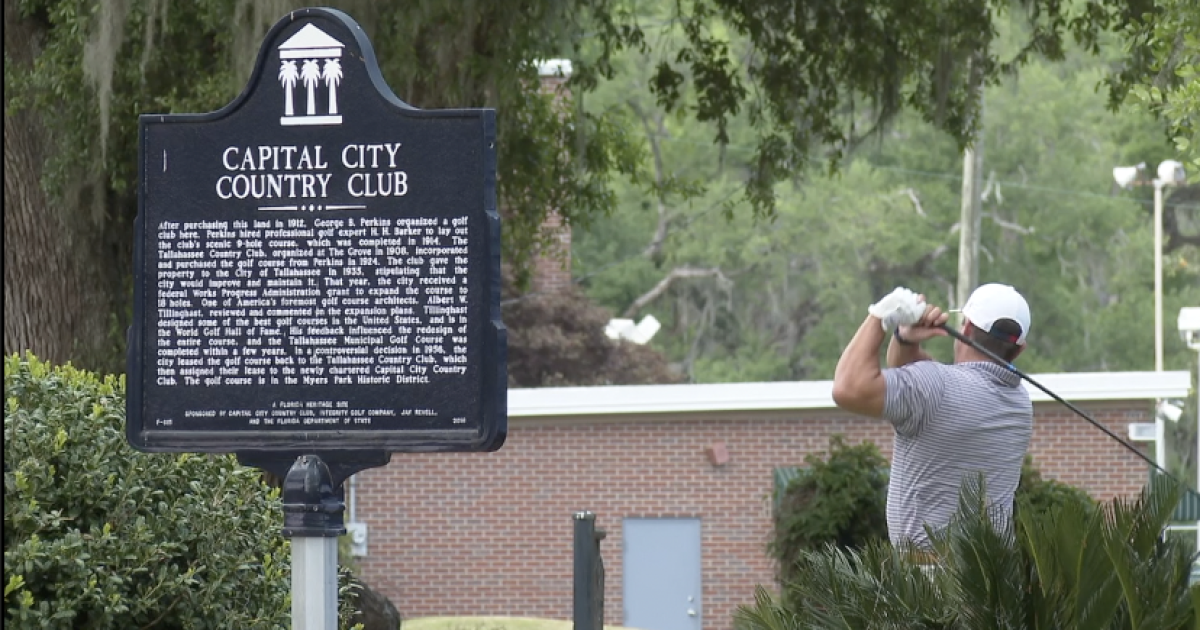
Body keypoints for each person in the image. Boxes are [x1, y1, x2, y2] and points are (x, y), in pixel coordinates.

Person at [831, 283, 1033, 550]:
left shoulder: (934, 387)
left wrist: (879, 316)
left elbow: (848, 388)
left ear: (967, 329)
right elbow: (919, 383)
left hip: (930, 580)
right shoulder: (1020, 404)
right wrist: (905, 339)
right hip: (993, 580)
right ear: (1019, 350)